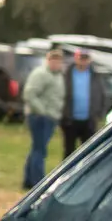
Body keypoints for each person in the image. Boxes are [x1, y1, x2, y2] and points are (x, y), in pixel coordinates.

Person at [20, 48, 66, 189]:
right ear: (48, 60)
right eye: (54, 60)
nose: (56, 64)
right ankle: (38, 182)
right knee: (40, 150)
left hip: (51, 116)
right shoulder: (40, 74)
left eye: (59, 61)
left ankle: (28, 180)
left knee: (37, 148)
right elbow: (29, 94)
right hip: (40, 117)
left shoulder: (58, 76)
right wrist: (42, 111)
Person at [58, 49, 100, 158]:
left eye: (86, 59)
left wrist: (98, 113)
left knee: (88, 152)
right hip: (70, 119)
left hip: (88, 120)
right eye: (81, 58)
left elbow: (101, 95)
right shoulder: (67, 74)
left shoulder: (95, 75)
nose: (83, 61)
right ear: (76, 59)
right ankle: (66, 174)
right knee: (69, 151)